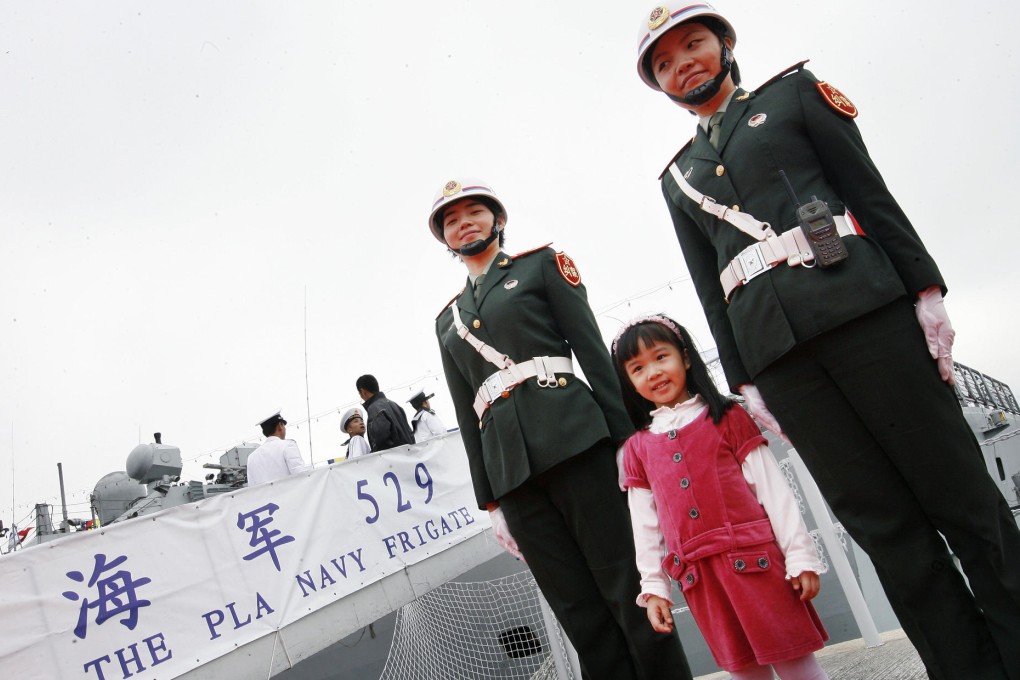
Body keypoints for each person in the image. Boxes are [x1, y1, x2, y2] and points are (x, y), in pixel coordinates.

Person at [634, 5, 1020, 679]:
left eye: (692, 45)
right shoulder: (678, 177)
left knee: (962, 501)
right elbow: (709, 286)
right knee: (885, 531)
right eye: (664, 63)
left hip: (866, 317)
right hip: (782, 362)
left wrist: (925, 292)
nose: (681, 65)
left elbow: (870, 195)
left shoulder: (792, 96)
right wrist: (746, 380)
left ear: (725, 45)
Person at [431, 177, 691, 680]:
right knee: (577, 612)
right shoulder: (447, 321)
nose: (463, 224)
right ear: (445, 238)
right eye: (450, 220)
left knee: (628, 587)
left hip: (579, 442)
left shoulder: (541, 266)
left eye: (473, 212)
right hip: (513, 474)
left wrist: (625, 445)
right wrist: (491, 503)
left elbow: (595, 354)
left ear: (497, 220)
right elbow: (468, 415)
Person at [613, 314, 829, 680]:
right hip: (701, 580)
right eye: (637, 368)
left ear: (685, 357)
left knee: (796, 663)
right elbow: (645, 527)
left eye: (661, 357)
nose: (653, 372)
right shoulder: (637, 449)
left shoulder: (727, 416)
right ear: (629, 382)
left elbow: (773, 491)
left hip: (759, 564)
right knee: (743, 671)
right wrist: (654, 588)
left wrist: (799, 555)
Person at [246, 411, 308, 485]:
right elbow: (301, 476)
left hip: (265, 497)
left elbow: (252, 488)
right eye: (284, 425)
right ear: (280, 426)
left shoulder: (251, 457)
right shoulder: (288, 445)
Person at [356, 374, 414, 452]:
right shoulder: (394, 404)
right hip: (410, 455)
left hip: (395, 459)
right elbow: (410, 434)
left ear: (363, 391)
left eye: (359, 393)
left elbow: (381, 440)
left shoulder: (374, 408)